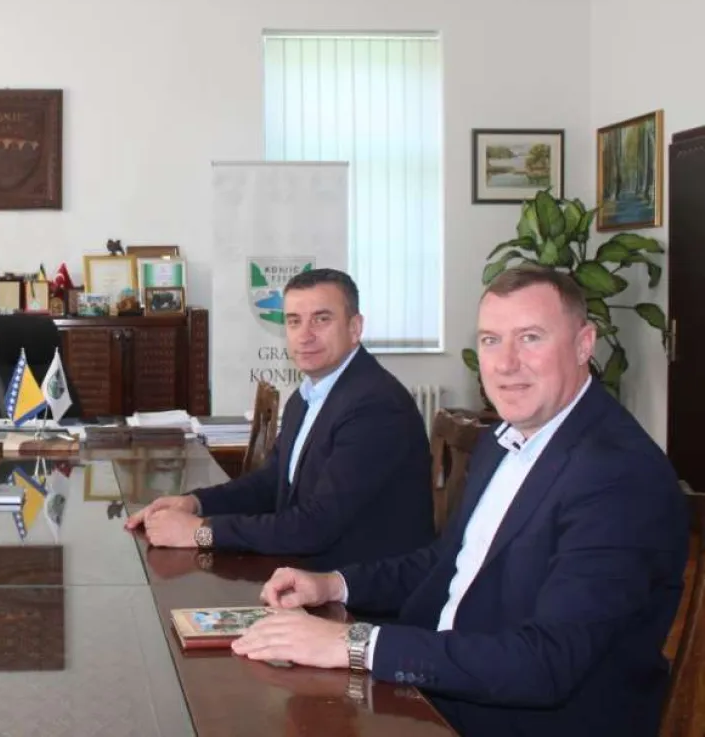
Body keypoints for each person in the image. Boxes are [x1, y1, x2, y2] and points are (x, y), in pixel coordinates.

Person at [232, 266, 689, 737]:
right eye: (491, 340)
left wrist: (355, 643)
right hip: (442, 687)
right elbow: (447, 563)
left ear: (583, 344)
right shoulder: (503, 441)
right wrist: (334, 585)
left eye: (530, 338)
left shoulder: (619, 477)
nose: (506, 363)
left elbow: (546, 664)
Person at [126, 268, 433, 571]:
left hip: (360, 587)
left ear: (355, 328)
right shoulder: (308, 396)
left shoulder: (375, 406)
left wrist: (201, 532)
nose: (305, 336)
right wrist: (194, 503)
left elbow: (315, 527)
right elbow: (271, 483)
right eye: (294, 321)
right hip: (307, 570)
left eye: (321, 319)